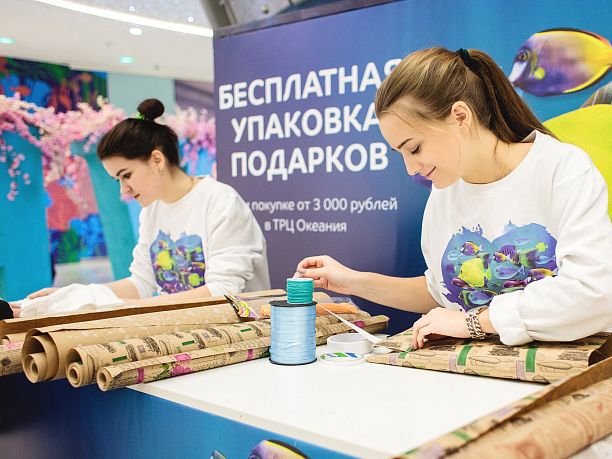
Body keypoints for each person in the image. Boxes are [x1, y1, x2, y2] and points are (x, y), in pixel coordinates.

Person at [296, 47, 612, 349]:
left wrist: (475, 323)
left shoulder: (562, 169)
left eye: (414, 148)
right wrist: (351, 281)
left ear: (460, 116)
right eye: (400, 153)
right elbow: (443, 293)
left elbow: (592, 292)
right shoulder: (444, 189)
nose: (411, 168)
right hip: (475, 373)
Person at [25, 98, 270, 311]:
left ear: (156, 160)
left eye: (127, 175)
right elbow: (140, 283)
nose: (124, 189)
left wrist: (127, 306)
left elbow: (223, 291)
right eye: (118, 180)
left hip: (238, 334)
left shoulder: (221, 202)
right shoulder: (152, 211)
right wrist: (76, 296)